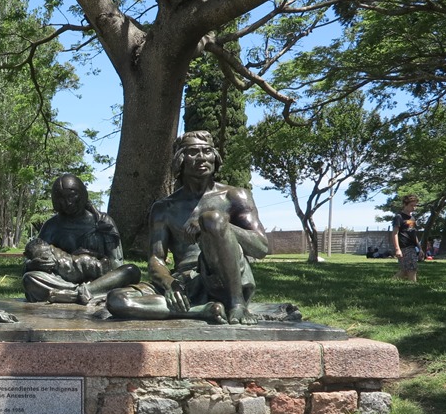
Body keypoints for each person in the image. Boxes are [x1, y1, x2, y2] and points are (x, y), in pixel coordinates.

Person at [106, 130, 269, 324]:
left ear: (215, 157)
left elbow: (261, 247)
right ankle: (202, 311)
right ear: (180, 160)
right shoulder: (164, 208)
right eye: (193, 152)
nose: (202, 158)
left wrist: (217, 225)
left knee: (212, 218)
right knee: (116, 300)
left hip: (222, 281)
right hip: (184, 282)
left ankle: (237, 305)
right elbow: (156, 259)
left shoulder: (234, 196)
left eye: (207, 151)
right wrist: (170, 284)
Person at [22, 173, 141, 304]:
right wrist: (32, 264)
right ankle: (81, 293)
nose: (68, 203)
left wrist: (95, 256)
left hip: (99, 279)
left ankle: (77, 293)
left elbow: (117, 265)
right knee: (29, 278)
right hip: (63, 281)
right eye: (61, 198)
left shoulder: (103, 222)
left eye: (72, 196)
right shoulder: (51, 226)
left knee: (131, 271)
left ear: (82, 194)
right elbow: (33, 254)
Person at [391, 194, 421, 282]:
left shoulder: (412, 218)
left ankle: (390, 282)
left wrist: (420, 248)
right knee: (412, 269)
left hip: (412, 247)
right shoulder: (399, 217)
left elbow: (413, 234)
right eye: (411, 205)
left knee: (405, 270)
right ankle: (413, 286)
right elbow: (395, 233)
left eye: (415, 205)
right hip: (404, 246)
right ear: (405, 204)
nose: (414, 208)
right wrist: (397, 249)